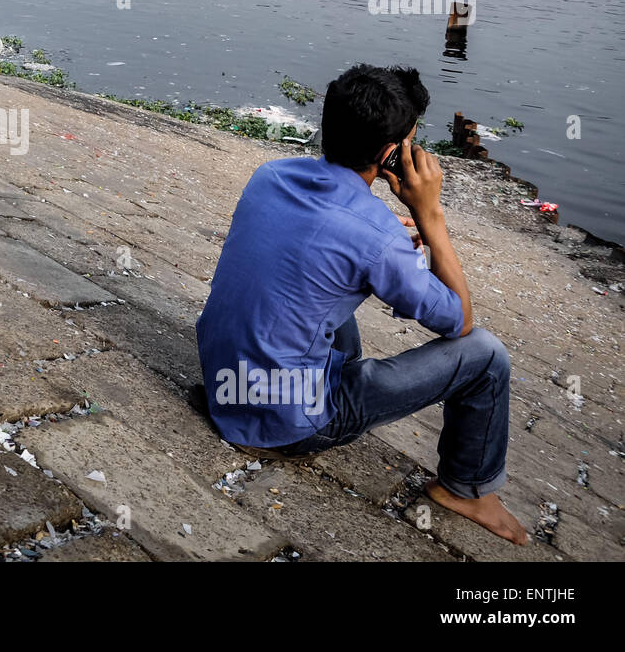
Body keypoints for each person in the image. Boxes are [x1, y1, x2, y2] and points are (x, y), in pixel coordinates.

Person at [195, 64, 527, 545]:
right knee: (487, 356)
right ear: (393, 154)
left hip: (226, 386)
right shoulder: (376, 234)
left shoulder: (270, 175)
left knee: (312, 287)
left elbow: (322, 246)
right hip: (290, 420)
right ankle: (468, 487)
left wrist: (386, 246)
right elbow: (459, 320)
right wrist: (428, 214)